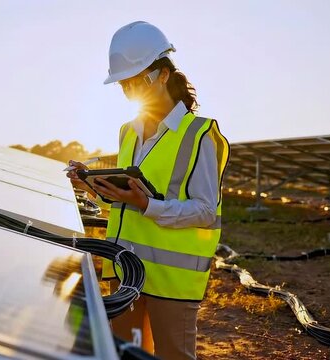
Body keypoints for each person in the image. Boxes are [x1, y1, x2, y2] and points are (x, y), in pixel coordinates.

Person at [67, 21, 229, 360]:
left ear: (165, 74)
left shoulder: (199, 135)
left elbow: (204, 210)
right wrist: (93, 186)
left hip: (171, 280)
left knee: (173, 356)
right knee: (125, 354)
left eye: (138, 81)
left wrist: (149, 206)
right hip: (125, 269)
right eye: (124, 85)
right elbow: (123, 203)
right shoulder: (128, 131)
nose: (131, 91)